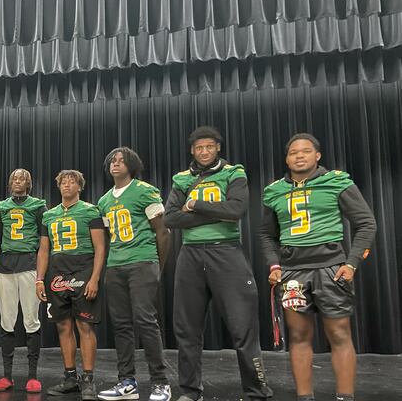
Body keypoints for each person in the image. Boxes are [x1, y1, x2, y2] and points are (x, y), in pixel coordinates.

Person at [260, 133, 376, 401]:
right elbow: (266, 234)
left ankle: (345, 396)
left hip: (331, 268)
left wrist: (352, 263)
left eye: (306, 151)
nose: (299, 156)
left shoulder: (336, 182)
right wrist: (274, 264)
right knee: (299, 335)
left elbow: (366, 223)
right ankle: (305, 397)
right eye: (293, 152)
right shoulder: (274, 190)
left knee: (339, 333)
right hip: (293, 272)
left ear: (318, 155)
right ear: (287, 158)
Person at [163, 126, 272, 401]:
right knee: (186, 328)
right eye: (199, 148)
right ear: (192, 150)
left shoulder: (234, 172)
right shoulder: (182, 178)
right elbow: (171, 219)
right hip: (190, 254)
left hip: (226, 253)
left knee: (242, 326)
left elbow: (236, 209)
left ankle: (256, 391)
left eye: (209, 147)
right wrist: (217, 212)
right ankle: (190, 391)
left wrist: (196, 205)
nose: (204, 152)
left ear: (218, 148)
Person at [97, 148, 172, 401]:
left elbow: (163, 233)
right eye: (113, 161)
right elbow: (110, 237)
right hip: (116, 265)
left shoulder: (145, 190)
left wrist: (157, 267)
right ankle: (127, 382)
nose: (116, 164)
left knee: (145, 321)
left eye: (121, 161)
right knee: (121, 325)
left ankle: (161, 382)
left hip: (142, 261)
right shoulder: (104, 200)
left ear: (132, 165)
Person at [35, 170, 107, 401]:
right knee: (63, 326)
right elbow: (44, 250)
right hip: (57, 271)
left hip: (83, 269)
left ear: (80, 186)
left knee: (84, 325)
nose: (67, 185)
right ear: (58, 186)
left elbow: (100, 248)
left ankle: (88, 379)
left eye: (72, 182)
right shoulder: (49, 215)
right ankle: (70, 378)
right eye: (63, 182)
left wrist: (95, 278)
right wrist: (39, 278)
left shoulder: (91, 210)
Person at [0, 169, 46, 394]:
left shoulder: (38, 206)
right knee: (7, 320)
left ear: (29, 183)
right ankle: (7, 375)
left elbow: (44, 239)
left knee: (32, 321)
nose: (17, 181)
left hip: (29, 265)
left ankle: (32, 375)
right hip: (6, 267)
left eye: (22, 178)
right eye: (14, 177)